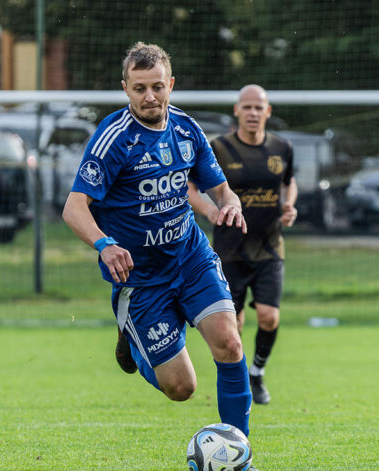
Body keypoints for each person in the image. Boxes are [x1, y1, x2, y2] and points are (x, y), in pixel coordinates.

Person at [63, 42, 253, 437]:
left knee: (230, 344)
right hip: (141, 277)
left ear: (171, 84)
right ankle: (134, 343)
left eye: (157, 86)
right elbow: (74, 208)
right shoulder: (114, 138)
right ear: (125, 89)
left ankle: (238, 451)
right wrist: (104, 244)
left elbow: (220, 189)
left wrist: (231, 203)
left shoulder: (186, 128)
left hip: (191, 258)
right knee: (182, 388)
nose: (149, 96)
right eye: (139, 88)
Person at [194, 84, 297, 405]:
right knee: (233, 325)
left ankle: (257, 373)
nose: (253, 113)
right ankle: (239, 385)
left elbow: (289, 182)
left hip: (269, 248)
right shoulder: (219, 148)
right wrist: (209, 210)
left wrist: (289, 205)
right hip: (229, 251)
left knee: (269, 317)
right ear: (237, 111)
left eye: (258, 107)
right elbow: (190, 187)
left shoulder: (282, 147)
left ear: (267, 112)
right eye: (247, 107)